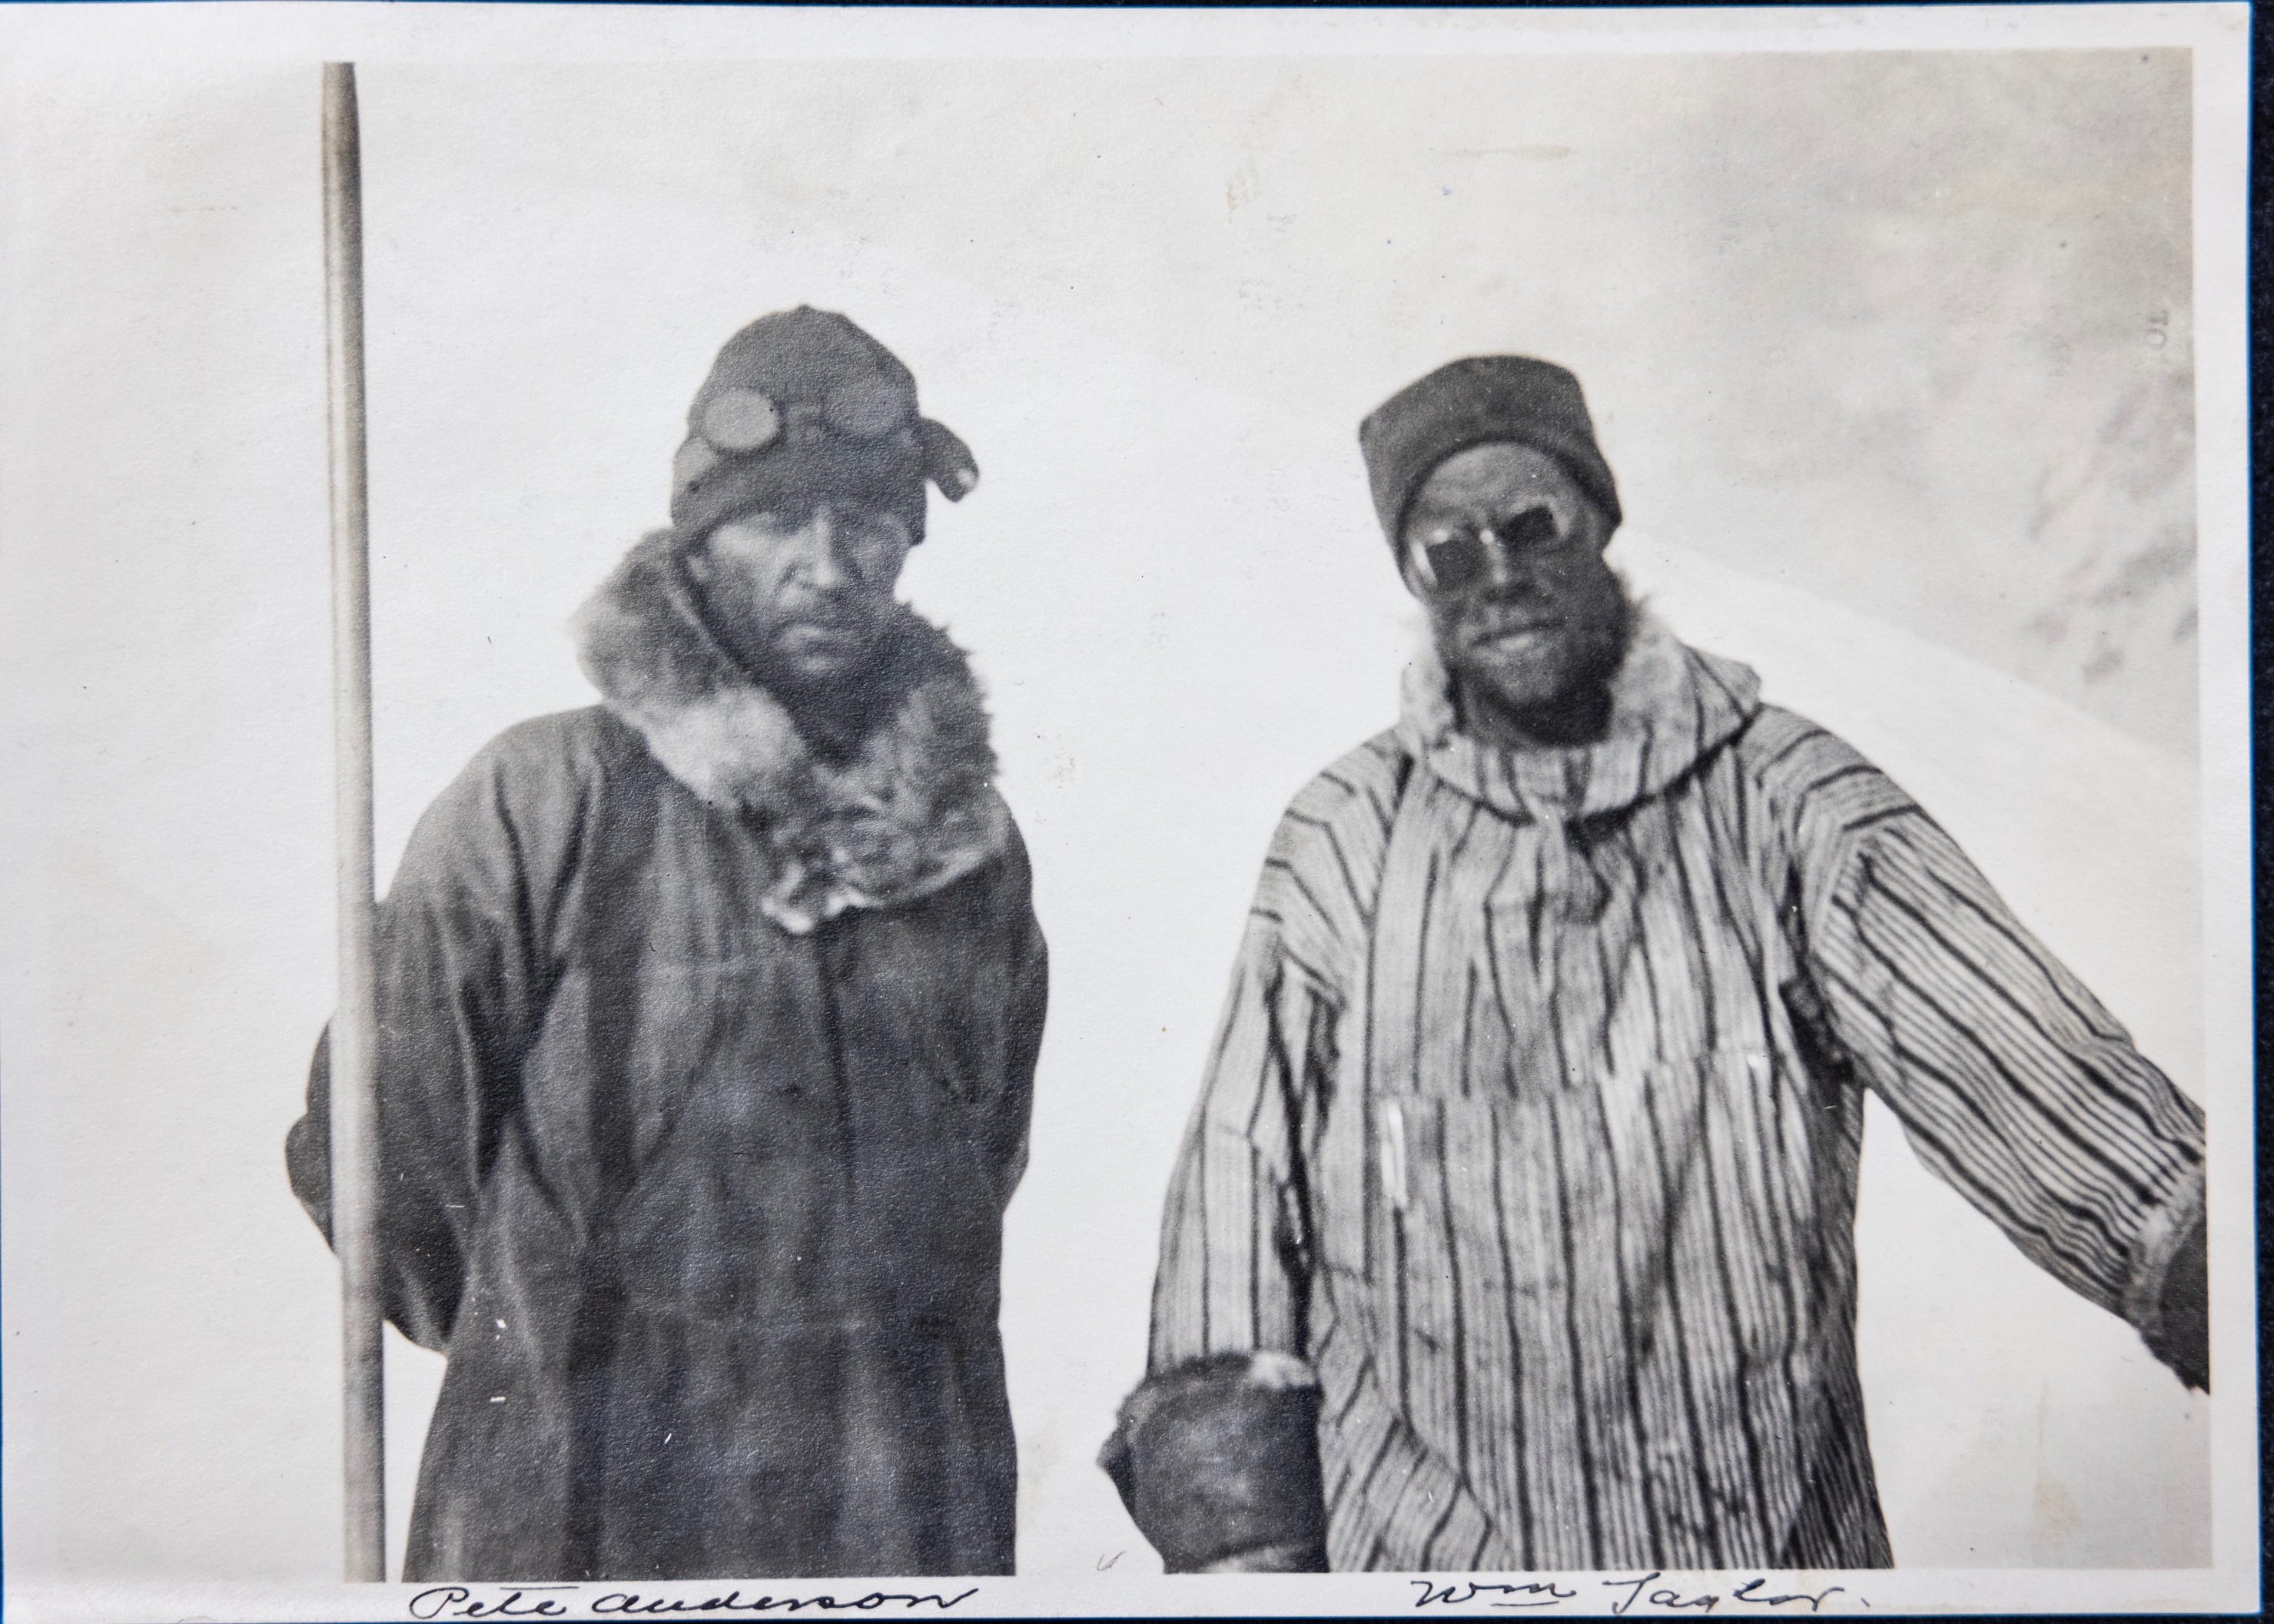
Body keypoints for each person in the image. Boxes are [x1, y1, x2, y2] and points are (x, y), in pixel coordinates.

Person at [1102, 355, 2208, 1574]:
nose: (1499, 576)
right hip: (1428, 1568)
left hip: (1755, 1560)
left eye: (1531, 526)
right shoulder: (1344, 842)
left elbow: (2030, 1083)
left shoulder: (1788, 804)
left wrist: (2215, 1271)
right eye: (1448, 554)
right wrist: (1247, 1551)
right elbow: (1235, 1197)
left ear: (1601, 522)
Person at [287, 307, 1047, 1581]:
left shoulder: (964, 847)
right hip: (581, 1512)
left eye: (867, 519)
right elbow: (386, 1160)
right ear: (698, 541)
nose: (827, 564)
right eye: (776, 518)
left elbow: (984, 1157)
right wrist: (544, 1335)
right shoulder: (542, 799)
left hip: (897, 1504)